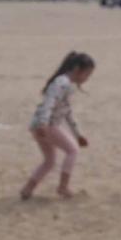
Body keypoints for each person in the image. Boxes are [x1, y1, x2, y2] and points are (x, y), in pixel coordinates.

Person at [21, 50, 94, 200]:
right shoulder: (62, 83)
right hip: (46, 125)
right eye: (87, 74)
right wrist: (43, 123)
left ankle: (27, 189)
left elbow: (67, 112)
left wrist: (78, 134)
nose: (87, 78)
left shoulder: (65, 84)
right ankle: (63, 187)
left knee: (49, 161)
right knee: (72, 150)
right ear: (77, 69)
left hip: (39, 125)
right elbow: (49, 102)